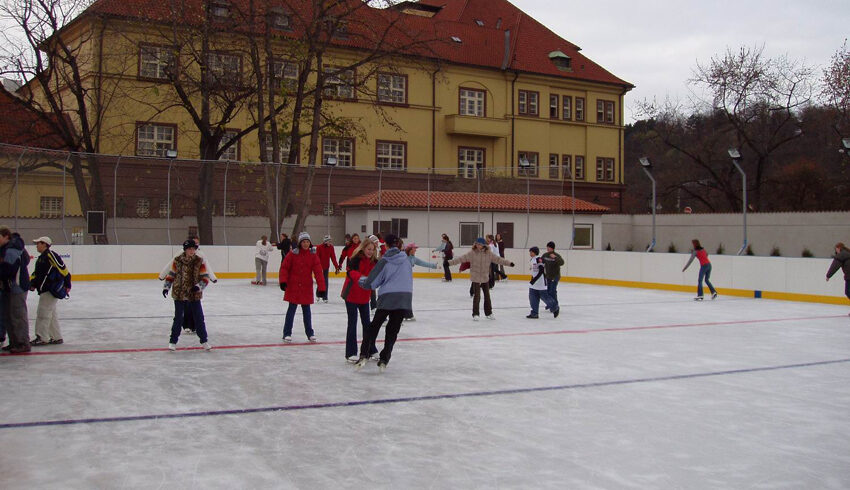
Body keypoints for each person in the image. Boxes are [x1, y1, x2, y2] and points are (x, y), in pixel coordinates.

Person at [354, 234, 412, 372]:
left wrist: (361, 281)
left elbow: (372, 282)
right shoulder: (406, 259)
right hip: (404, 298)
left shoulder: (385, 260)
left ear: (385, 245)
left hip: (388, 297)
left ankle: (364, 354)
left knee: (373, 327)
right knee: (392, 330)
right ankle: (384, 359)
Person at [162, 239, 212, 351]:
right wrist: (166, 287)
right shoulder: (177, 261)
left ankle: (204, 340)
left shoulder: (199, 261)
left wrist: (198, 287)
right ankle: (172, 341)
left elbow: (205, 277)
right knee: (178, 318)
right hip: (179, 294)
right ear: (185, 250)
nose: (192, 251)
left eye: (193, 249)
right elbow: (171, 275)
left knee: (199, 318)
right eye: (189, 249)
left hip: (194, 295)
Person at [447, 237, 514, 320]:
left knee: (487, 296)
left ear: (484, 245)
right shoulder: (472, 253)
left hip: (485, 278)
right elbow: (461, 258)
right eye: (477, 244)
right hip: (476, 278)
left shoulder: (489, 253)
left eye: (480, 244)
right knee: (477, 297)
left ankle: (489, 313)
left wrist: (509, 263)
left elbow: (498, 259)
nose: (478, 246)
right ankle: (475, 314)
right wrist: (449, 263)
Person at [279, 232, 325, 342]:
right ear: (300, 243)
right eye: (303, 242)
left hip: (306, 287)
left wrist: (322, 287)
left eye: (307, 242)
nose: (305, 244)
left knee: (307, 312)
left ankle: (310, 333)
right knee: (291, 310)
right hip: (293, 286)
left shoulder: (313, 256)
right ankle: (287, 333)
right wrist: (283, 281)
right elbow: (284, 268)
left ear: (310, 243)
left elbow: (318, 272)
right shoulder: (292, 254)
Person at [340, 239, 379, 362]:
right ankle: (351, 352)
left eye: (372, 250)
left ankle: (370, 349)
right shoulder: (356, 259)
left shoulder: (375, 262)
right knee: (352, 323)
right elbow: (350, 272)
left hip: (364, 296)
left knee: (367, 324)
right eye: (368, 249)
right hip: (351, 295)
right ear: (363, 248)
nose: (370, 252)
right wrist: (363, 278)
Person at [28, 236, 71, 346]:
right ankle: (56, 337)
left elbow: (63, 269)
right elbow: (37, 273)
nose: (36, 245)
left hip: (50, 289)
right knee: (51, 314)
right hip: (45, 289)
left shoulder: (50, 255)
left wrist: (67, 284)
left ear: (44, 244)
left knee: (43, 313)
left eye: (38, 243)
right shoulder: (41, 258)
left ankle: (42, 337)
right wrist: (33, 284)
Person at [0, 226, 31, 353]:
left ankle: (22, 343)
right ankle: (14, 342)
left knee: (18, 314)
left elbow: (8, 269)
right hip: (8, 286)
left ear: (6, 236)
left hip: (17, 286)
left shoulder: (13, 248)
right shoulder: (5, 248)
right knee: (8, 314)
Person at [403, 242, 438, 321]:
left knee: (407, 297)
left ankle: (408, 315)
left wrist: (433, 266)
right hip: (401, 280)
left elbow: (422, 263)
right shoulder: (403, 257)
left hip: (408, 280)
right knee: (403, 297)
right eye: (414, 248)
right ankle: (404, 315)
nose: (416, 250)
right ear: (410, 249)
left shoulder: (413, 258)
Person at [527, 246, 559, 318]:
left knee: (545, 298)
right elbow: (534, 272)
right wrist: (532, 280)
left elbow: (541, 271)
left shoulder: (539, 259)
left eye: (531, 252)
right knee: (532, 298)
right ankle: (534, 313)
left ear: (535, 252)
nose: (530, 253)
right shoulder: (532, 260)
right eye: (530, 252)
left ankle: (555, 307)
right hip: (533, 285)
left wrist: (533, 280)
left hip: (541, 283)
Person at [826, 242, 850, 315]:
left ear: (838, 248)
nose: (835, 251)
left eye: (836, 249)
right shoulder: (848, 253)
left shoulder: (841, 255)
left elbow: (835, 266)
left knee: (848, 292)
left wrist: (828, 275)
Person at [315, 235, 340, 302]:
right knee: (321, 281)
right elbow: (317, 258)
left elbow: (333, 257)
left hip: (326, 267)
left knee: (325, 282)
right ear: (325, 241)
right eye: (329, 241)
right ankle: (318, 294)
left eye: (330, 241)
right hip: (319, 267)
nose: (330, 242)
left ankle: (325, 297)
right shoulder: (319, 247)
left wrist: (336, 267)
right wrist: (317, 267)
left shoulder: (331, 247)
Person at [541, 241, 565, 309]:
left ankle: (555, 305)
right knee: (548, 291)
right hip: (548, 276)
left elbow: (562, 263)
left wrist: (555, 257)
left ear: (552, 248)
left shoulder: (556, 255)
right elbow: (541, 261)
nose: (547, 248)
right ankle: (550, 303)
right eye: (547, 247)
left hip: (555, 276)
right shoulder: (545, 255)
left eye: (548, 247)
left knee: (552, 291)